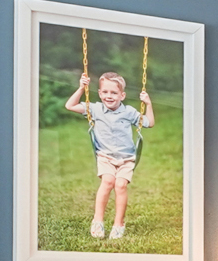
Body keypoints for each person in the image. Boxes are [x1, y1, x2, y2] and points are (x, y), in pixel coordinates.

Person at [65, 69, 154, 241]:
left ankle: (118, 223)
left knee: (120, 185)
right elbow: (70, 106)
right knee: (107, 181)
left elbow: (149, 123)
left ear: (122, 95)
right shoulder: (95, 109)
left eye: (114, 92)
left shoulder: (128, 112)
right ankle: (98, 220)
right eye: (105, 92)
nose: (109, 96)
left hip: (127, 159)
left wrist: (148, 104)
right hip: (105, 156)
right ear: (99, 93)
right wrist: (81, 89)